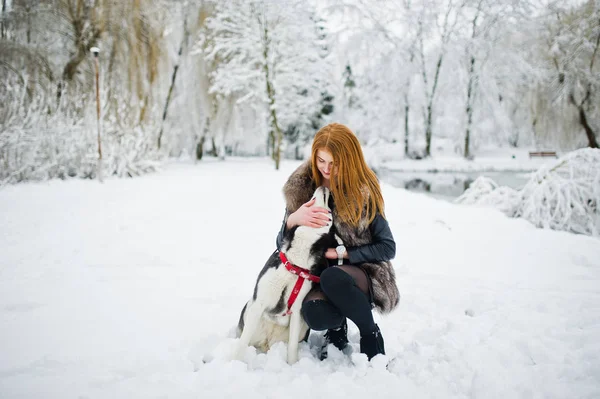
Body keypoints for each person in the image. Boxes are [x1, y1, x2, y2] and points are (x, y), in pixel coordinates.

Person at [276, 123, 400, 360]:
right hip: (316, 276)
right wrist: (292, 220)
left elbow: (387, 247)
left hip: (360, 273)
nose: (326, 168)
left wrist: (341, 254)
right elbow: (281, 244)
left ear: (348, 159)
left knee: (334, 277)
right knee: (315, 313)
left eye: (334, 163)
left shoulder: (362, 190)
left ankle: (370, 333)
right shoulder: (302, 189)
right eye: (321, 160)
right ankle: (336, 326)